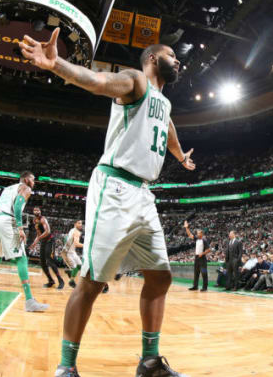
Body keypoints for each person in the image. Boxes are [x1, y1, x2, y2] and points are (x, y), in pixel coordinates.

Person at [20, 29, 195, 377]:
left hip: (144, 194)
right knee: (92, 281)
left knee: (160, 278)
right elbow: (98, 81)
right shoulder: (135, 81)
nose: (177, 60)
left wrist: (179, 155)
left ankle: (149, 362)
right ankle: (65, 367)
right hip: (115, 186)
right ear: (152, 59)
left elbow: (169, 126)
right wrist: (58, 65)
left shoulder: (163, 101)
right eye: (171, 54)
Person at [0, 171, 49, 313]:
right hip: (8, 220)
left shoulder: (8, 189)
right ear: (26, 179)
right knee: (22, 258)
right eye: (33, 179)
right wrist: (20, 228)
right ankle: (29, 301)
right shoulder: (26, 188)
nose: (34, 182)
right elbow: (17, 207)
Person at [30, 206, 64, 289]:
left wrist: (38, 238)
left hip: (50, 240)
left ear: (40, 211)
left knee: (50, 261)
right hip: (43, 242)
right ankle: (51, 281)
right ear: (33, 212)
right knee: (42, 263)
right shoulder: (35, 221)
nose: (36, 211)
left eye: (37, 210)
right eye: (35, 210)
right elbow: (38, 234)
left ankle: (61, 281)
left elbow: (47, 231)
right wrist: (34, 243)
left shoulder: (43, 219)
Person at [184, 220, 211, 291]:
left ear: (202, 234)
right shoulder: (196, 239)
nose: (197, 234)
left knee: (204, 273)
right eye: (197, 233)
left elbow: (208, 250)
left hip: (202, 258)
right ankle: (195, 286)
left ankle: (205, 287)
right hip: (197, 258)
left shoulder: (204, 240)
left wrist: (202, 253)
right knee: (196, 273)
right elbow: (189, 235)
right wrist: (187, 228)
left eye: (198, 233)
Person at [62, 220, 84, 288]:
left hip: (72, 252)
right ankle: (71, 281)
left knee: (80, 265)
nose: (81, 224)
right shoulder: (76, 232)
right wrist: (86, 245)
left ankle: (69, 272)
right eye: (79, 223)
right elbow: (77, 244)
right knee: (74, 267)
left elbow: (66, 238)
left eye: (81, 223)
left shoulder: (72, 230)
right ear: (75, 224)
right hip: (67, 253)